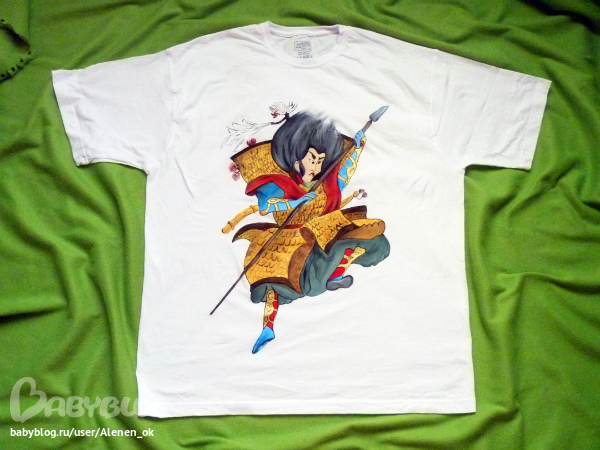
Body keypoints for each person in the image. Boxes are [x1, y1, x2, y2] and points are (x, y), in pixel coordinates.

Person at [229, 111, 390, 353]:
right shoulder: (281, 184)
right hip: (288, 237)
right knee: (273, 280)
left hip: (319, 230)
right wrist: (294, 202)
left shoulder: (326, 183)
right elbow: (265, 207)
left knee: (349, 238)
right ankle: (268, 327)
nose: (316, 166)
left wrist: (356, 148)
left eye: (321, 160)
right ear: (297, 160)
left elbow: (344, 173)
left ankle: (335, 274)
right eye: (312, 159)